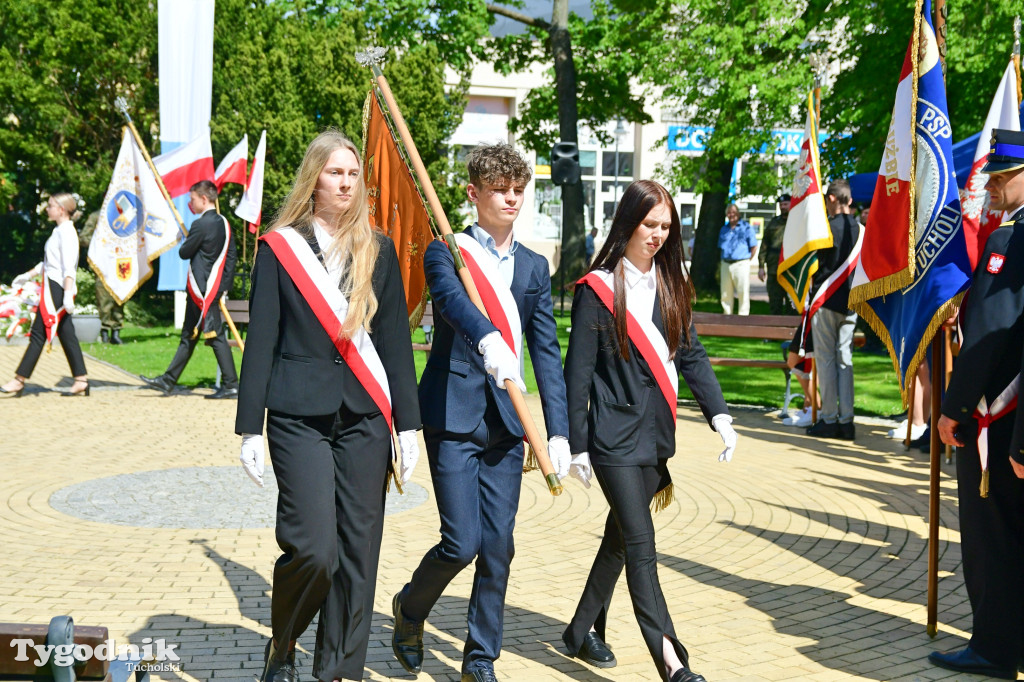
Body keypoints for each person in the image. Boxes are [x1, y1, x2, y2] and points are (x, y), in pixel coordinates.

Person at [235, 130, 421, 682]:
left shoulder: (377, 248)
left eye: (352, 173)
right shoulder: (280, 248)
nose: (346, 182)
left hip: (365, 416)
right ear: (313, 179)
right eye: (335, 172)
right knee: (314, 549)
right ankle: (285, 639)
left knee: (359, 555)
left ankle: (337, 670)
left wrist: (407, 426)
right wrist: (250, 428)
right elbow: (262, 340)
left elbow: (392, 343)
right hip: (298, 418)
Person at [390, 143, 570, 682]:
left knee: (499, 547)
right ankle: (410, 608)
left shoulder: (535, 267)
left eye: (519, 191)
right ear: (474, 193)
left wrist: (557, 431)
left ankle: (479, 658)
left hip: (507, 427)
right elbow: (449, 301)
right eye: (501, 191)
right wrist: (487, 338)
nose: (512, 199)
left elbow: (546, 353)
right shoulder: (447, 250)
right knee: (462, 542)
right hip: (454, 414)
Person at [562, 179, 736, 682]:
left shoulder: (672, 282)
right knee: (641, 543)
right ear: (628, 223)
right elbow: (578, 375)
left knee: (620, 539)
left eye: (666, 226)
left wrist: (719, 414)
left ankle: (578, 631)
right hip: (612, 441)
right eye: (649, 224)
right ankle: (673, 663)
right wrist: (576, 445)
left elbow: (693, 355)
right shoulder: (597, 289)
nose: (658, 234)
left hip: (656, 437)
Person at [931, 128, 1024, 680]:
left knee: (993, 539)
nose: (991, 188)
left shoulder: (1010, 239)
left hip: (997, 417)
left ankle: (993, 647)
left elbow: (992, 331)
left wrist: (954, 408)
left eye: (1001, 178)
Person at [140, 180, 239, 398]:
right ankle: (168, 381)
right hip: (212, 288)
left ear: (204, 199)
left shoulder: (200, 224)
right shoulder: (224, 223)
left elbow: (184, 253)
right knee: (189, 335)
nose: (189, 203)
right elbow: (231, 257)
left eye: (192, 199)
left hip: (202, 290)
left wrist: (182, 239)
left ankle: (232, 384)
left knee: (215, 336)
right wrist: (224, 288)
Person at [1, 193, 89, 397]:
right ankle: (81, 379)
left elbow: (69, 268)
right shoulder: (59, 231)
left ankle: (19, 379)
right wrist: (28, 275)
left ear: (61, 209)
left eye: (50, 206)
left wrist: (67, 294)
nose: (47, 209)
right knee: (66, 333)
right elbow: (49, 263)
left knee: (39, 333)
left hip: (58, 288)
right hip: (53, 286)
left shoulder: (67, 232)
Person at [805, 179, 861, 441]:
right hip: (852, 303)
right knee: (845, 360)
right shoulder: (862, 231)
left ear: (831, 199)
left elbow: (815, 266)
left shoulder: (824, 228)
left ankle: (828, 419)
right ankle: (847, 421)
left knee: (826, 362)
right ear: (849, 200)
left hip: (826, 301)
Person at [78, 210, 125, 344]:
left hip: (121, 263)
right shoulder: (96, 216)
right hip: (102, 263)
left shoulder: (125, 217)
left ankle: (116, 331)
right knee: (104, 299)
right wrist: (102, 243)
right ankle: (105, 331)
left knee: (119, 297)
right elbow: (84, 238)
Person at [717, 203, 757, 315]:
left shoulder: (746, 227)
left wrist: (747, 260)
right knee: (725, 293)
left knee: (743, 292)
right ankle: (727, 316)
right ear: (726, 215)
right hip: (725, 264)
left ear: (738, 214)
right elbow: (720, 247)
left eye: (733, 212)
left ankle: (743, 317)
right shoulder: (723, 229)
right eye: (729, 212)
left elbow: (754, 246)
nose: (731, 214)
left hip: (741, 264)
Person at [758, 194, 791, 315]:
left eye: (785, 204)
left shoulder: (797, 222)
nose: (783, 207)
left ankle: (790, 332)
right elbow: (764, 245)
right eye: (781, 205)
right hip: (774, 269)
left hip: (791, 270)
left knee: (791, 306)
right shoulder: (773, 223)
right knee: (774, 304)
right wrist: (761, 266)